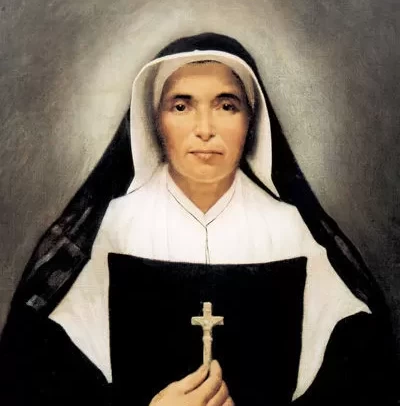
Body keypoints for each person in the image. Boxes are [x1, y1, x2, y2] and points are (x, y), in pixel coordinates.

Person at [0, 32, 397, 406]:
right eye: (181, 106)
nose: (205, 129)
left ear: (251, 120)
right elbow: (39, 379)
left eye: (226, 106)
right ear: (155, 121)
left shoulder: (292, 232)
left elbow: (360, 378)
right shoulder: (111, 230)